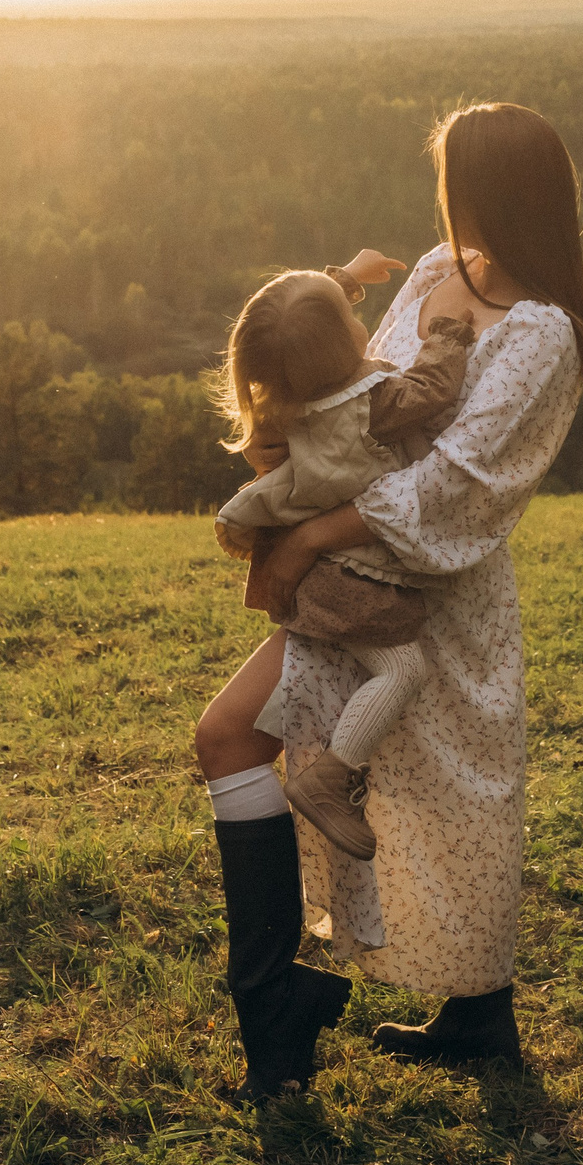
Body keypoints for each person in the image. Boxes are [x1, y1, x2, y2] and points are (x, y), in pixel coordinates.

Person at [192, 102, 583, 1103]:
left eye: (456, 178)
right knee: (258, 747)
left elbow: (461, 481)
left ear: (493, 188)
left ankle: (374, 1015)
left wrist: (302, 536)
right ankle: (371, 1013)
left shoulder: (545, 332)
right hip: (353, 585)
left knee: (447, 794)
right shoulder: (434, 270)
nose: (445, 200)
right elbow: (365, 405)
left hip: (434, 594)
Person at [210, 257, 479, 861]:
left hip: (320, 577)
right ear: (347, 343)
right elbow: (434, 389)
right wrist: (448, 337)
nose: (366, 324)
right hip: (354, 580)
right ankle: (332, 775)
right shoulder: (371, 402)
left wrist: (342, 280)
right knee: (402, 670)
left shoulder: (289, 399)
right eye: (352, 314)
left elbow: (292, 337)